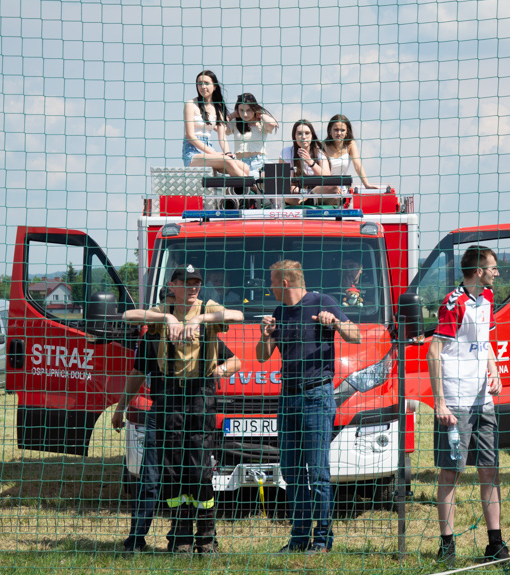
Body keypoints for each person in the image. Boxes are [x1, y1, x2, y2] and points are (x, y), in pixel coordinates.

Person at [122, 264, 243, 554]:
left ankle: (206, 535)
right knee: (172, 471)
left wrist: (200, 319)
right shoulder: (162, 311)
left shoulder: (208, 308)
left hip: (199, 398)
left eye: (196, 282)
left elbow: (237, 316)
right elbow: (128, 316)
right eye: (185, 282)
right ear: (172, 285)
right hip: (169, 400)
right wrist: (167, 317)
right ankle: (180, 535)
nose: (192, 287)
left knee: (200, 471)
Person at [255, 260, 362, 553]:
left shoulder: (321, 302)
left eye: (273, 282)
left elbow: (357, 335)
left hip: (316, 395)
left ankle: (323, 539)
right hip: (288, 397)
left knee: (317, 472)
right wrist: (265, 337)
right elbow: (263, 357)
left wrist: (335, 322)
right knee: (290, 472)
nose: (270, 287)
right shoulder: (279, 312)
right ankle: (299, 538)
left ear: (285, 283)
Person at [427, 246, 509, 564]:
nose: (497, 272)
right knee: (451, 473)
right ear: (478, 271)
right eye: (493, 268)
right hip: (456, 402)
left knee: (490, 470)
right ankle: (446, 545)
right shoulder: (454, 303)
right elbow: (435, 351)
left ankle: (495, 543)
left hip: (482, 400)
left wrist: (495, 371)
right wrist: (440, 403)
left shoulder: (487, 299)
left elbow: (485, 342)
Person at [182, 70, 249, 177]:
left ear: (214, 86)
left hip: (209, 150)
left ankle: (238, 191)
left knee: (245, 167)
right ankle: (254, 189)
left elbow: (222, 136)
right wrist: (214, 154)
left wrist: (227, 154)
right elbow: (190, 136)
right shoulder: (190, 104)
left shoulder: (218, 107)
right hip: (193, 152)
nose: (202, 86)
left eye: (206, 83)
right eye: (199, 83)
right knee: (226, 161)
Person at [279, 120, 333, 206]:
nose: (303, 137)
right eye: (299, 133)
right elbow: (285, 181)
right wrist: (292, 187)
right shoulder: (287, 152)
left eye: (307, 133)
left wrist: (310, 162)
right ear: (295, 136)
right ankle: (305, 202)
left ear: (312, 136)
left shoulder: (319, 153)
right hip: (296, 194)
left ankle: (308, 200)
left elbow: (328, 179)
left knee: (334, 188)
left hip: (316, 192)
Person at [322, 114, 379, 192]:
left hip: (341, 188)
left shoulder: (350, 144)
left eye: (342, 130)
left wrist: (366, 184)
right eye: (336, 129)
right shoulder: (323, 146)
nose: (339, 133)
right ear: (330, 131)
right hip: (324, 186)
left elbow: (357, 165)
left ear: (347, 132)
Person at [227, 93, 278, 178]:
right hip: (240, 164)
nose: (245, 114)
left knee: (271, 176)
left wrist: (260, 114)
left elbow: (272, 124)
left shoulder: (262, 122)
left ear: (254, 109)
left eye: (249, 110)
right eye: (241, 110)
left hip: (259, 163)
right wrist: (232, 115)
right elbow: (219, 127)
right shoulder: (235, 122)